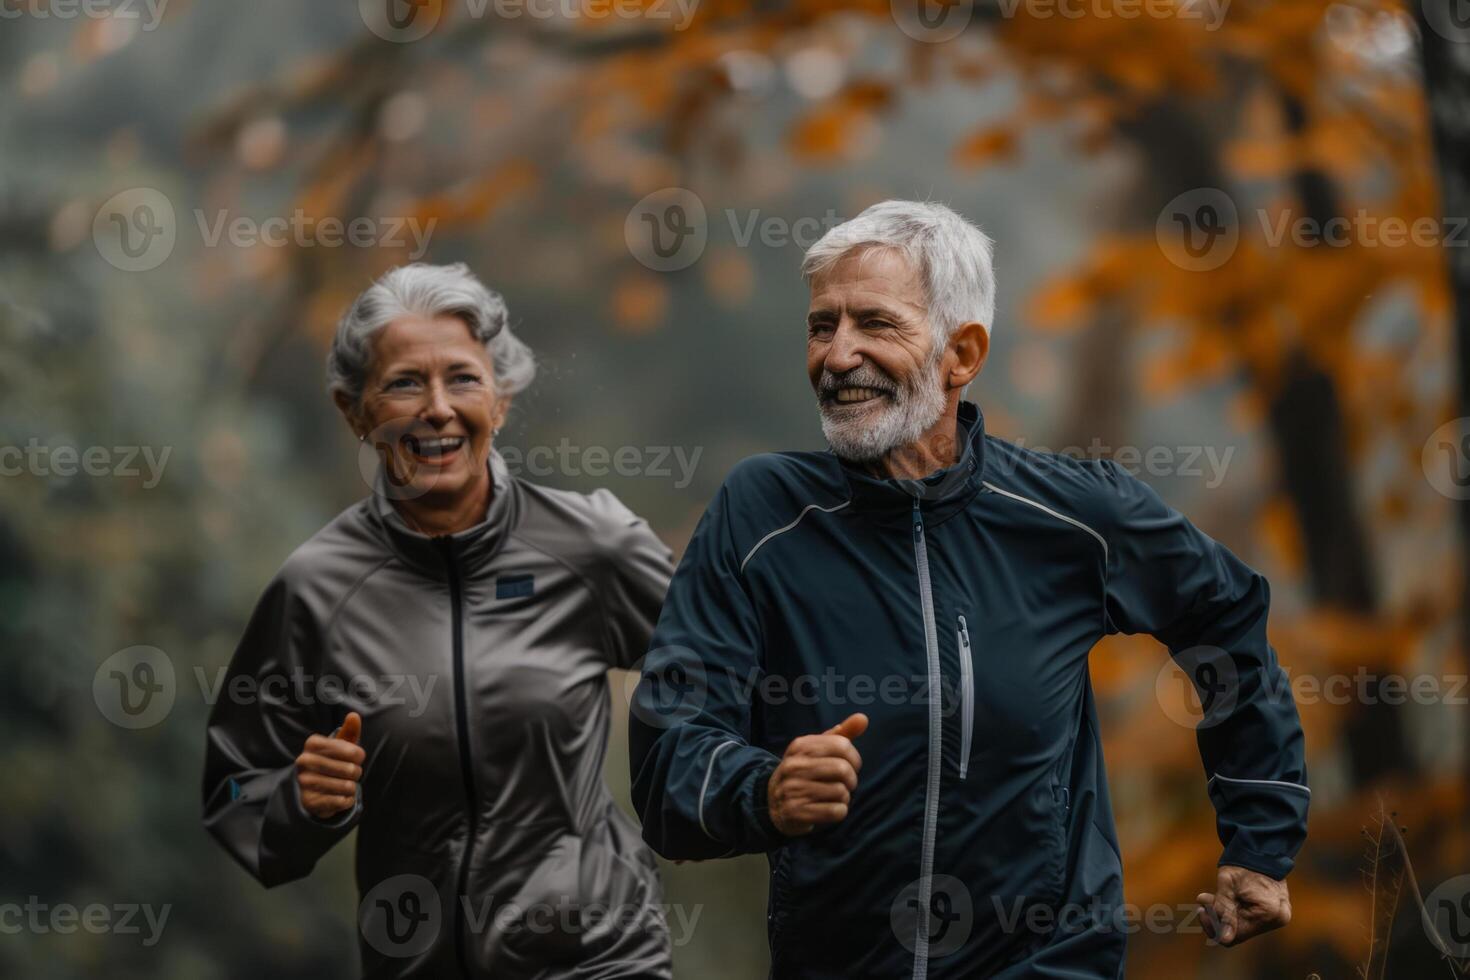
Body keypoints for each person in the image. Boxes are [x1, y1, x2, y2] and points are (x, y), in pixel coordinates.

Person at [628, 201, 1309, 978]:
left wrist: (1260, 840)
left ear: (963, 353)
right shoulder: (762, 516)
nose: (838, 355)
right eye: (822, 327)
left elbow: (1225, 617)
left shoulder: (1073, 517)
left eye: (874, 324)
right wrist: (764, 790)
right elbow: (666, 758)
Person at [202, 262, 676, 979]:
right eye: (402, 383)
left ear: (501, 398)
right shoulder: (316, 589)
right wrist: (301, 801)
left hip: (596, 958)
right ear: (354, 410)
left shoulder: (593, 547)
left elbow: (727, 673)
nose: (437, 408)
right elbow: (234, 790)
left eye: (461, 378)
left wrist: (751, 787)